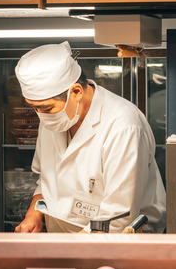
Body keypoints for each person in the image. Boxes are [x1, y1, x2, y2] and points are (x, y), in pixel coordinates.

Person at [14, 41, 166, 233]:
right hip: (66, 238)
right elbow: (46, 182)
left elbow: (119, 217)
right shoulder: (53, 120)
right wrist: (33, 215)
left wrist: (70, 250)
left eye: (46, 108)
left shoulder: (123, 125)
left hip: (120, 241)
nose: (40, 115)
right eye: (33, 107)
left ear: (76, 92)